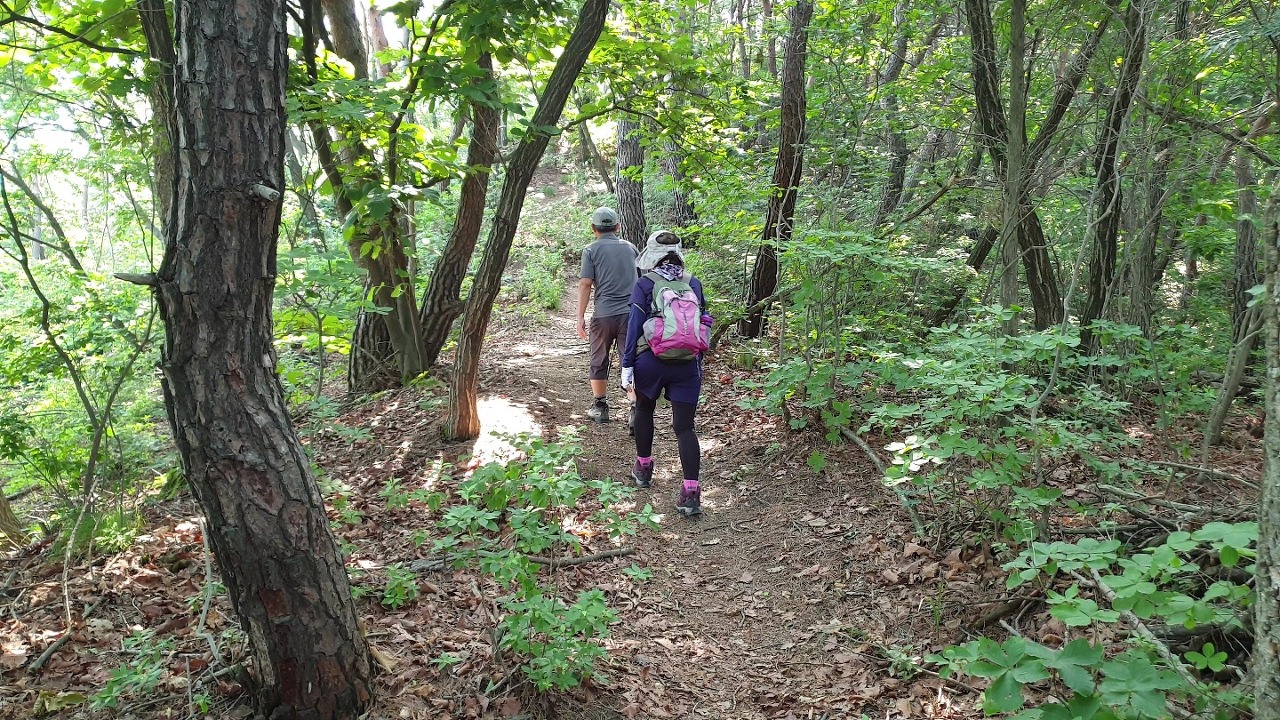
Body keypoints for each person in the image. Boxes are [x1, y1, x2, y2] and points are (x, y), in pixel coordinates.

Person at [620, 230, 711, 517]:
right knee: (685, 427)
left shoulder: (645, 284)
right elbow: (704, 323)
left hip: (651, 361)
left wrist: (627, 364)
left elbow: (634, 325)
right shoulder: (693, 283)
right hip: (687, 364)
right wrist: (698, 360)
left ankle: (644, 468)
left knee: (644, 409)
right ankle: (691, 493)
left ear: (651, 256)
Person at [577, 206, 638, 423]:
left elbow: (585, 283)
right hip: (630, 315)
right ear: (617, 227)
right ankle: (635, 409)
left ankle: (600, 407)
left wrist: (580, 317)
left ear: (593, 228)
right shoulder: (631, 248)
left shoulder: (590, 250)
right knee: (630, 360)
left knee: (598, 359)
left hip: (603, 315)